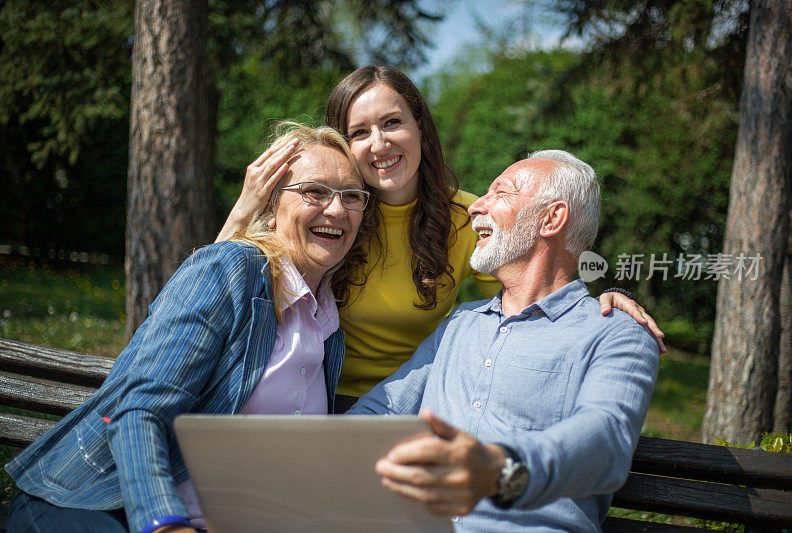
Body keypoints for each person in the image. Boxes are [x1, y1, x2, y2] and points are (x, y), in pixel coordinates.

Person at [215, 65, 666, 411]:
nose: (378, 143)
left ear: (420, 129)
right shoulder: (330, 215)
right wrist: (245, 209)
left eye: (392, 123)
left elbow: (535, 290)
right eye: (359, 132)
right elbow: (217, 296)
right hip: (307, 399)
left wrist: (605, 301)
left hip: (412, 407)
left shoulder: (470, 216)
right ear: (343, 144)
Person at [4, 124, 374, 533]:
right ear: (271, 209)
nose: (337, 210)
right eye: (315, 192)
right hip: (98, 504)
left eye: (351, 197)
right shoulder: (233, 269)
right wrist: (165, 524)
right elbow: (137, 411)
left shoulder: (329, 328)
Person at [349, 150, 660, 531]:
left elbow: (604, 442)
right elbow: (381, 412)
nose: (474, 207)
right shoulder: (460, 324)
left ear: (551, 218)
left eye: (501, 192)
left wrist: (500, 469)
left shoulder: (616, 333)